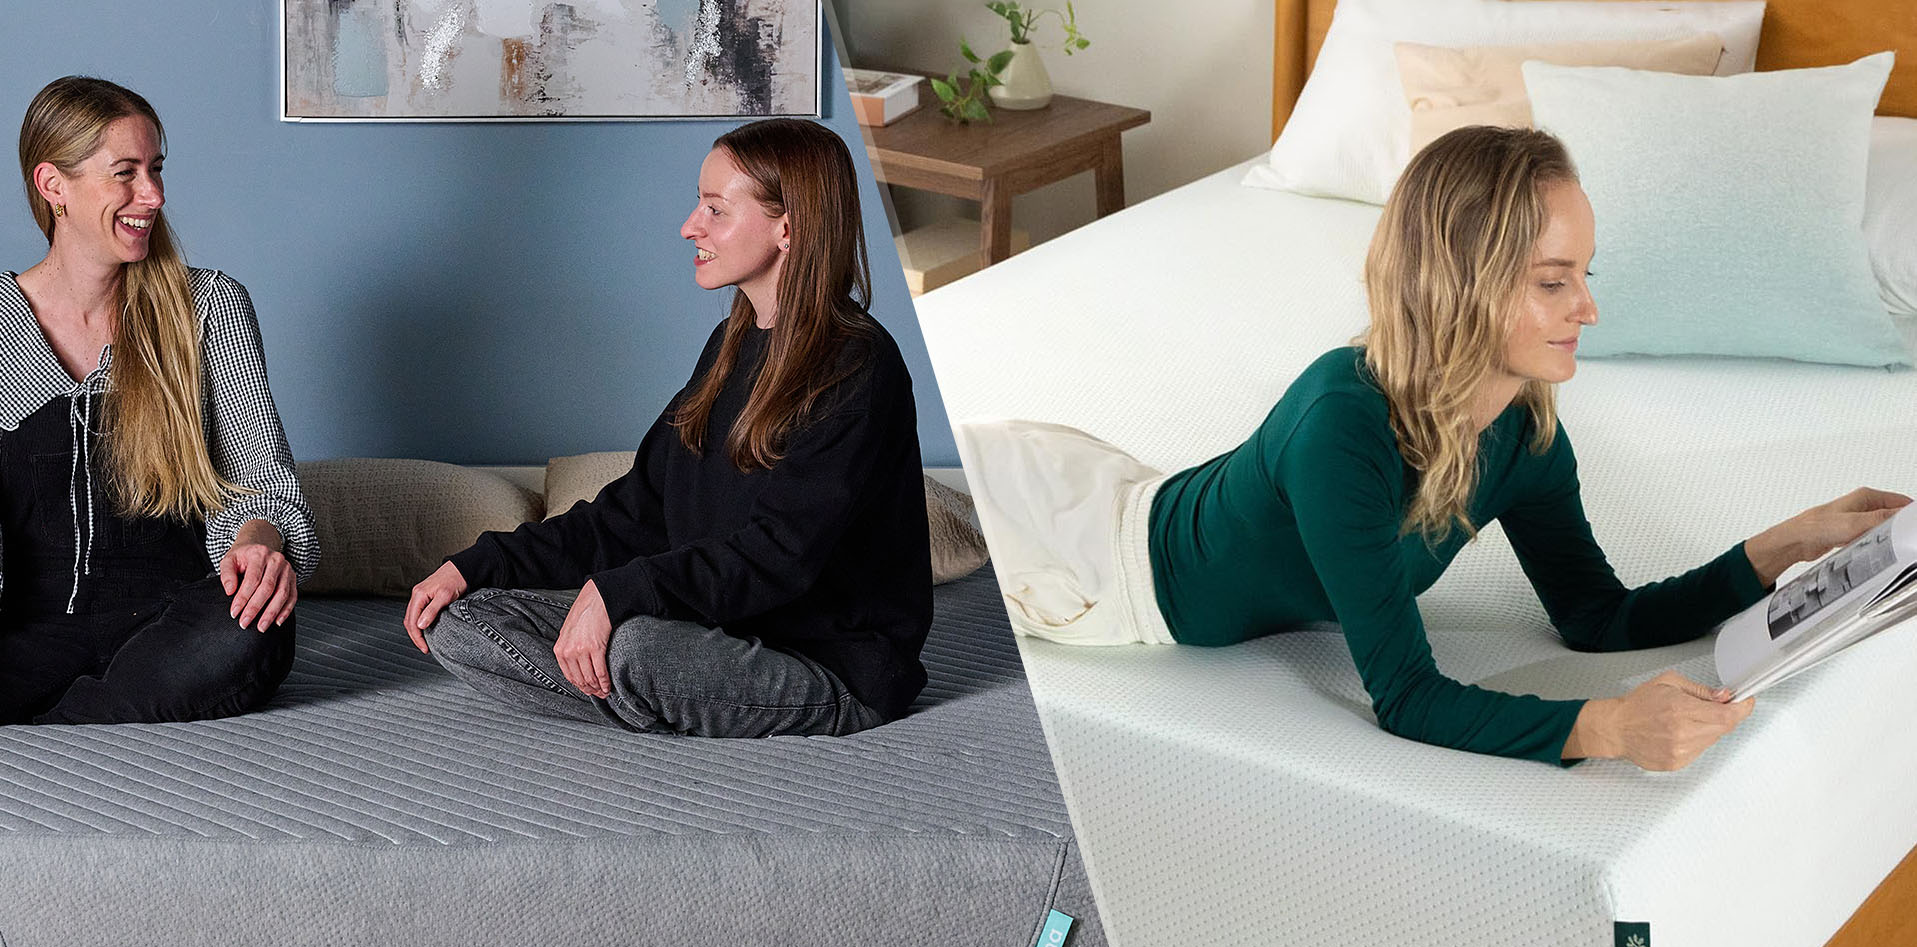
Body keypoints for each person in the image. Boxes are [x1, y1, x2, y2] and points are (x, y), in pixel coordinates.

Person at [960, 125, 1908, 771]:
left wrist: (1783, 547)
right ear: (1463, 282)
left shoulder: (1524, 428)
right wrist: (1608, 726)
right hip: (1080, 557)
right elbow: (1406, 697)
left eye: (1583, 273)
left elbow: (1595, 618)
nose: (1588, 309)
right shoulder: (1345, 422)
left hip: (1125, 502)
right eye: (1552, 281)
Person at [406, 118, 931, 738]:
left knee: (637, 650)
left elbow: (780, 557)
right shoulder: (730, 346)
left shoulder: (858, 365)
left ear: (788, 227)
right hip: (711, 630)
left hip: (826, 661)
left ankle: (630, 683)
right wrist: (475, 564)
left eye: (715, 209)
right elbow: (635, 512)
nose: (690, 226)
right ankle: (637, 691)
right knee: (462, 618)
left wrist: (623, 594)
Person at [0, 76, 317, 724]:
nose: (154, 195)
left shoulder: (209, 309)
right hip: (26, 630)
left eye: (156, 170)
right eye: (127, 173)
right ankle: (108, 707)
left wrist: (258, 544)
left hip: (169, 626)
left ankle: (55, 716)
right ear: (53, 184)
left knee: (252, 627)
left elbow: (263, 488)